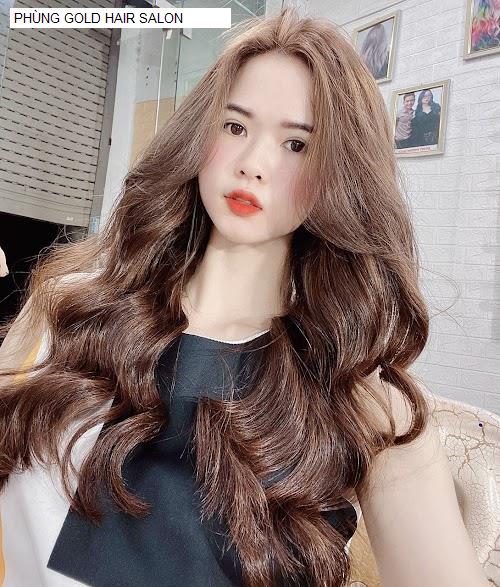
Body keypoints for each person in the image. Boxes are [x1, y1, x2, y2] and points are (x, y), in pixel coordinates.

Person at [0, 7, 491, 587]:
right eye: (234, 127)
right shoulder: (70, 306)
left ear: (340, 173)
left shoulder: (359, 397)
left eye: (297, 145)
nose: (253, 165)